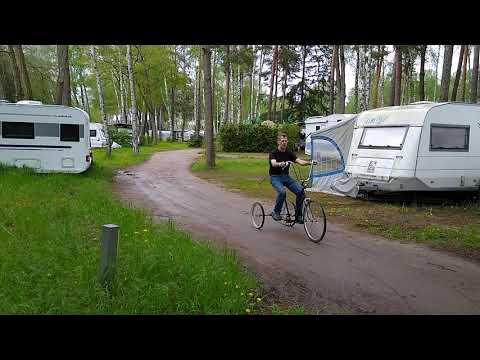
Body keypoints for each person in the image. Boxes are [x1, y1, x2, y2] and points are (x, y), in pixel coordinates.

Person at [269, 132, 314, 224]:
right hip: (275, 177)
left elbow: (299, 161)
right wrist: (280, 163)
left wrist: (311, 162)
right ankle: (276, 212)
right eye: (282, 141)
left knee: (301, 192)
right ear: (278, 142)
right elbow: (273, 163)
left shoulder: (289, 153)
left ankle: (298, 216)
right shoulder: (273, 153)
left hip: (286, 177)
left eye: (285, 141)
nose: (284, 143)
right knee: (282, 192)